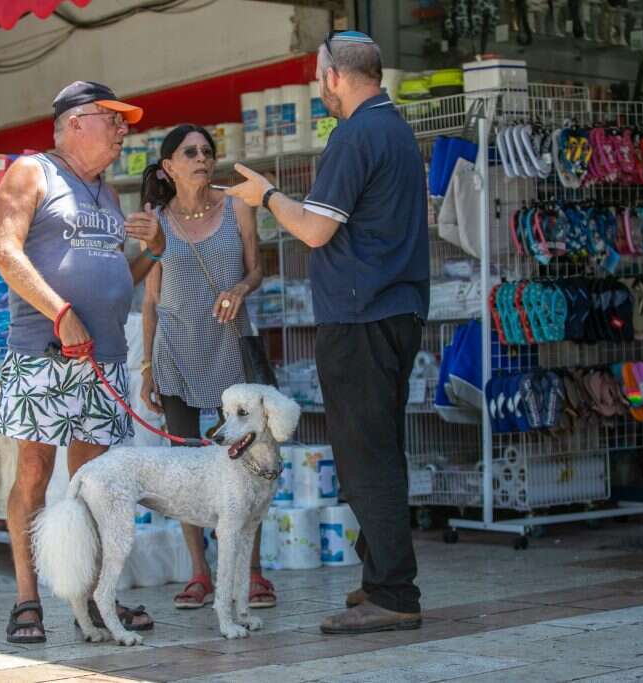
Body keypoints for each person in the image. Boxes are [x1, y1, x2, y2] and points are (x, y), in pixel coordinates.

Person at [226, 31, 430, 634]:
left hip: (360, 317)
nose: (320, 89)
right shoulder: (396, 129)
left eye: (320, 78)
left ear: (334, 75)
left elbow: (314, 230)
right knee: (379, 449)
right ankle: (379, 579)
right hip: (394, 313)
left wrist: (265, 195)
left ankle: (394, 592)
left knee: (366, 457)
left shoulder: (355, 135)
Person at [0, 81, 164, 644]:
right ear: (73, 123)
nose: (123, 130)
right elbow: (6, 253)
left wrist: (154, 252)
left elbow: (119, 280)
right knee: (35, 475)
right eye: (112, 119)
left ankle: (95, 598)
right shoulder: (30, 172)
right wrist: (61, 312)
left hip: (104, 359)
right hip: (42, 352)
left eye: (123, 121)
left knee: (93, 484)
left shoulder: (108, 195)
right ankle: (26, 598)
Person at [137, 124, 276, 610]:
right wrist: (147, 365)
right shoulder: (157, 218)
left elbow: (257, 269)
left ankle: (252, 572)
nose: (201, 158)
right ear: (168, 166)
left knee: (247, 461)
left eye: (207, 151)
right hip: (176, 352)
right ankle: (200, 573)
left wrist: (239, 290)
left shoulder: (237, 205)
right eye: (189, 152)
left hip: (230, 347)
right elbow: (151, 300)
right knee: (185, 466)